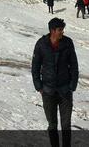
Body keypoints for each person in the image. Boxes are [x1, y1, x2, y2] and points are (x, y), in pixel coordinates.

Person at [31, 18, 78, 147]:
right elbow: (35, 66)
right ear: (52, 31)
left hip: (65, 91)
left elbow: (74, 65)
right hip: (48, 91)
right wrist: (39, 86)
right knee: (52, 124)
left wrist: (72, 86)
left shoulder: (68, 43)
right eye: (60, 30)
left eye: (62, 30)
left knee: (66, 125)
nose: (62, 32)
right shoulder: (41, 44)